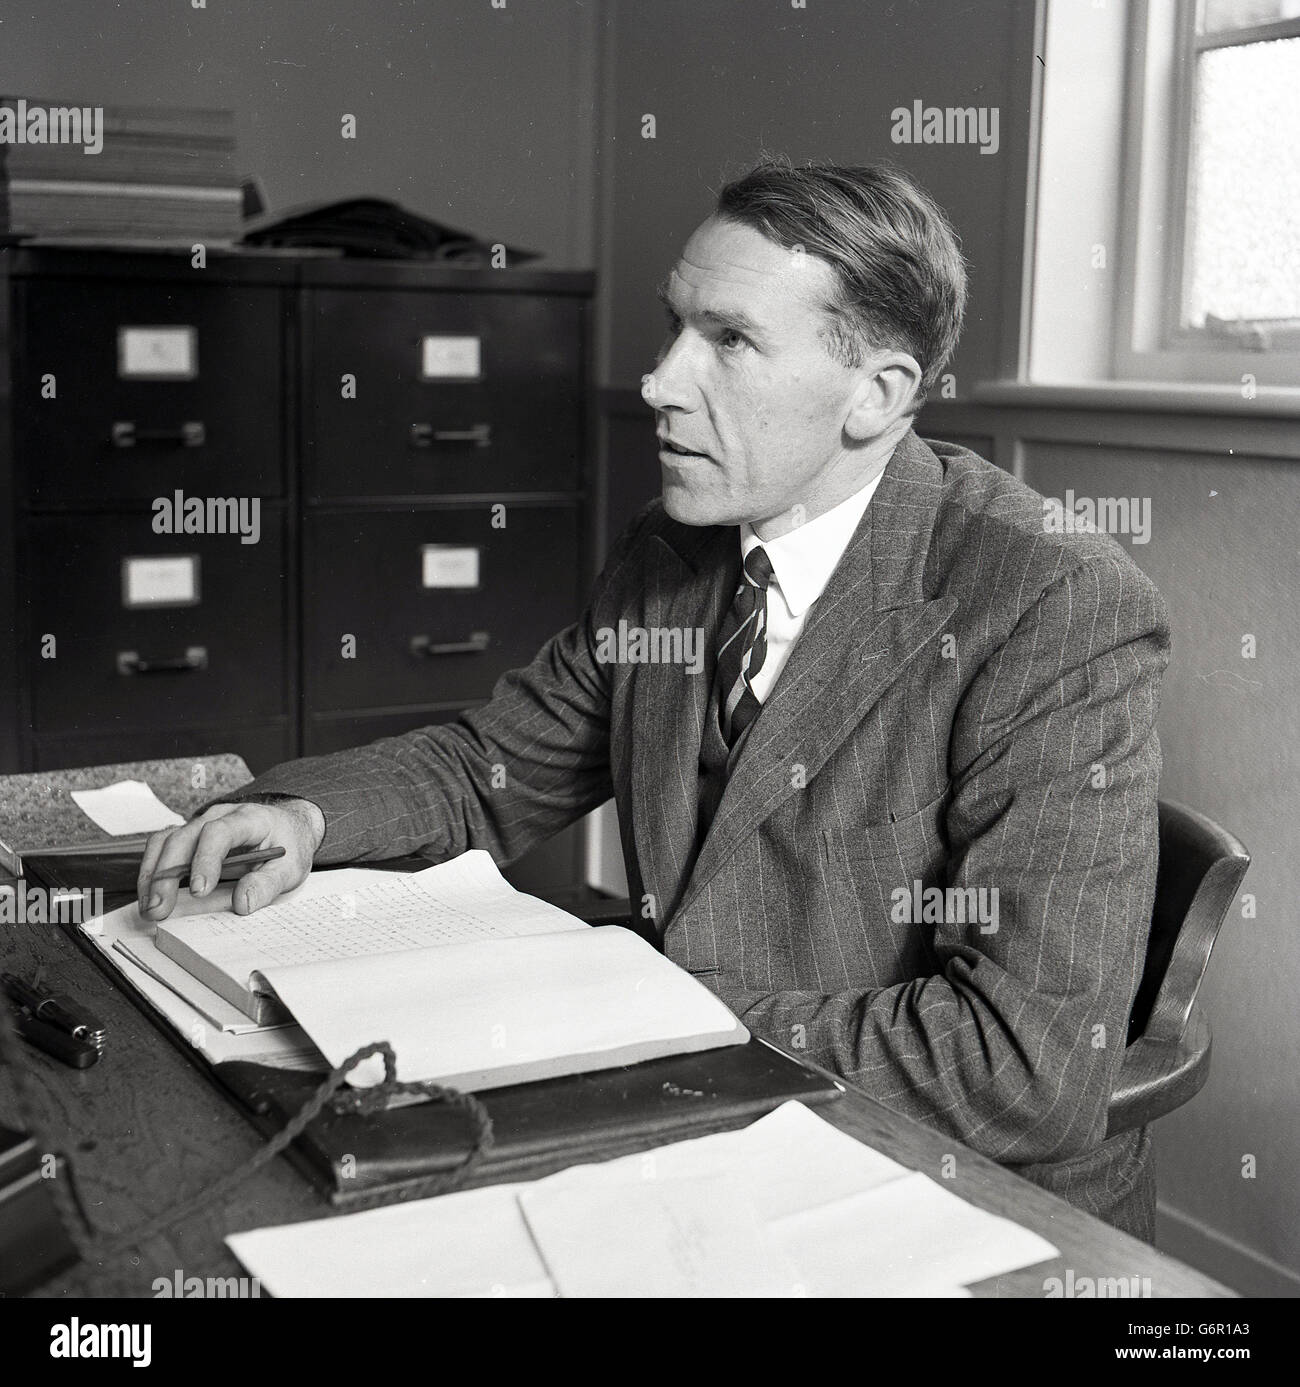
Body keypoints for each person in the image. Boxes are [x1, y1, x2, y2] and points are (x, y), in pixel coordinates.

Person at [138, 159, 1170, 1239]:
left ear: (877, 394)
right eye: (675, 327)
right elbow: (491, 768)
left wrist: (647, 1009)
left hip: (944, 1199)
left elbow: (1021, 1064)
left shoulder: (1052, 605)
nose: (659, 381)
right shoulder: (675, 550)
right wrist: (303, 817)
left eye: (728, 341)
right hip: (707, 1136)